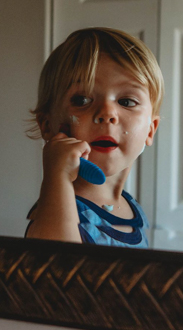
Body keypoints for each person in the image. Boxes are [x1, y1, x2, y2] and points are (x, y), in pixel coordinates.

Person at [25, 27, 163, 247]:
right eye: (81, 101)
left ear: (150, 130)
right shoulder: (56, 211)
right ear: (47, 125)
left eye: (126, 102)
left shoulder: (132, 209)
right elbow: (53, 270)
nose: (107, 114)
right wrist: (57, 177)